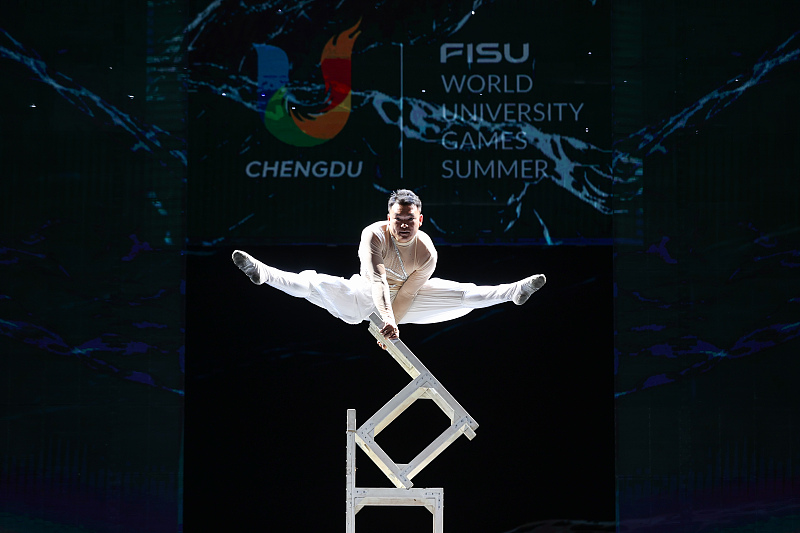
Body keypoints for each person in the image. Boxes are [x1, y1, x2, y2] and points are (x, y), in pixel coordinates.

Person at [232, 189, 545, 343]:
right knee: (316, 284)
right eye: (399, 220)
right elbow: (379, 282)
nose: (405, 226)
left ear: (420, 220)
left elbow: (407, 295)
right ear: (389, 219)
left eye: (411, 220)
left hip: (405, 303)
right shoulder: (373, 235)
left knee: (463, 294)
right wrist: (385, 319)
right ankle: (265, 273)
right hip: (366, 294)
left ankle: (513, 292)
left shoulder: (426, 254)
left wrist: (390, 327)